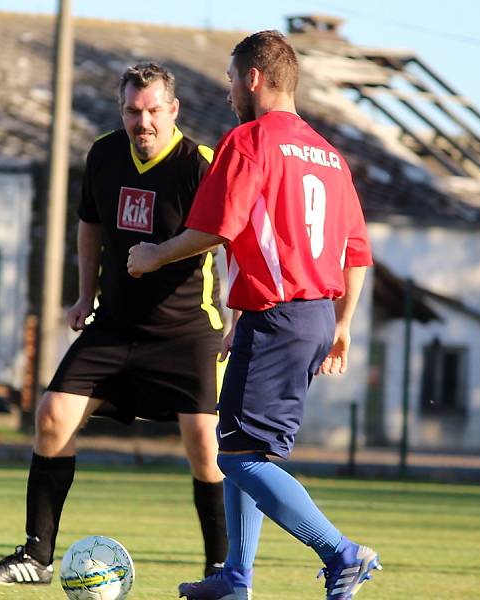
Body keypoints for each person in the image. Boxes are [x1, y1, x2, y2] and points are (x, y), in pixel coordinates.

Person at [127, 32, 380, 600]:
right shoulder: (330, 156)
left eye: (230, 79)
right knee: (247, 447)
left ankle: (341, 553)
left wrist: (151, 256)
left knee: (236, 458)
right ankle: (235, 578)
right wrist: (341, 327)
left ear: (254, 78)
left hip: (279, 316)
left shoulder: (250, 141)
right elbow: (357, 252)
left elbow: (218, 228)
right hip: (309, 316)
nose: (227, 93)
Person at [0, 62, 228, 586]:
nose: (144, 122)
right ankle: (37, 556)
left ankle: (222, 570)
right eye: (133, 111)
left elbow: (230, 235)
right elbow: (89, 223)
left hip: (187, 331)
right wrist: (83, 294)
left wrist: (237, 315)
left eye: (154, 110)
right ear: (122, 110)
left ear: (173, 109)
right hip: (114, 325)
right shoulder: (103, 154)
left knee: (206, 446)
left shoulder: (199, 163)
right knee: (51, 416)